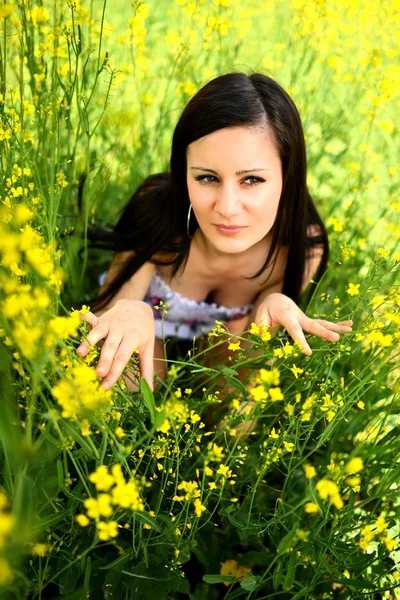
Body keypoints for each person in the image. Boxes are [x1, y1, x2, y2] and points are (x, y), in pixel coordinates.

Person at [76, 71, 353, 393]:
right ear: (183, 172)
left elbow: (250, 377)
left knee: (234, 404)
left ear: (288, 177)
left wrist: (274, 304)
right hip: (149, 321)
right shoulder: (159, 214)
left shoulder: (302, 247)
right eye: (207, 178)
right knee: (125, 376)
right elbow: (106, 317)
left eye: (252, 180)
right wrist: (130, 311)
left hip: (231, 332)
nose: (227, 207)